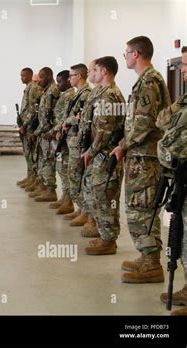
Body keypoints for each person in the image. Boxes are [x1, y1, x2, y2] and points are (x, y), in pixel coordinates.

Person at [110, 36, 172, 283]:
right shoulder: (146, 81)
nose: (124, 56)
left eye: (126, 52)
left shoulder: (149, 81)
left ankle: (152, 264)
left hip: (145, 158)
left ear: (136, 54)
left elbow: (145, 123)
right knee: (137, 208)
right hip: (140, 157)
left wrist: (123, 145)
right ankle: (146, 256)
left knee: (143, 209)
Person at [80, 56, 125, 255]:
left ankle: (108, 240)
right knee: (96, 194)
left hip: (106, 156)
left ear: (104, 71)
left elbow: (104, 131)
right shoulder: (104, 93)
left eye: (96, 70)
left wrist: (90, 151)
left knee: (105, 196)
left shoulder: (110, 96)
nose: (93, 74)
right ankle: (104, 234)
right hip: (100, 154)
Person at [156, 45, 187, 315]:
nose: (184, 72)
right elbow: (163, 122)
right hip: (182, 176)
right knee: (183, 234)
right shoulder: (184, 100)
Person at [63, 61, 97, 235]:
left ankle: (86, 212)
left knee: (79, 177)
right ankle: (82, 209)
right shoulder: (80, 94)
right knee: (74, 176)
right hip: (74, 142)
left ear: (80, 76)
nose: (69, 79)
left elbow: (81, 117)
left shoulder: (86, 94)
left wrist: (68, 122)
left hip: (81, 142)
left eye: (71, 76)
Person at [29, 67, 60, 202]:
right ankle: (43, 186)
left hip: (48, 133)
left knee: (47, 161)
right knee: (42, 159)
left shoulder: (53, 91)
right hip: (43, 132)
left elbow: (49, 117)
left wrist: (37, 132)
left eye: (41, 77)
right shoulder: (46, 91)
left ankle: (50, 190)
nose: (39, 80)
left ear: (48, 76)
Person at [49, 70, 76, 211]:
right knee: (61, 168)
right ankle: (65, 198)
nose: (57, 84)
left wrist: (54, 130)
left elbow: (67, 117)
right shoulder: (64, 95)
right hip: (60, 137)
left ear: (67, 81)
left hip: (65, 139)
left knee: (65, 170)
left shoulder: (71, 95)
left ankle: (69, 201)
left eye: (60, 81)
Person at [17, 68, 36, 187]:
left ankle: (33, 178)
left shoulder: (32, 88)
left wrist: (25, 124)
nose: (21, 78)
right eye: (20, 76)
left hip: (29, 127)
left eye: (23, 76)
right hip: (25, 126)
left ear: (30, 75)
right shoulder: (28, 88)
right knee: (27, 153)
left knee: (31, 153)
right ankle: (30, 176)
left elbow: (32, 109)